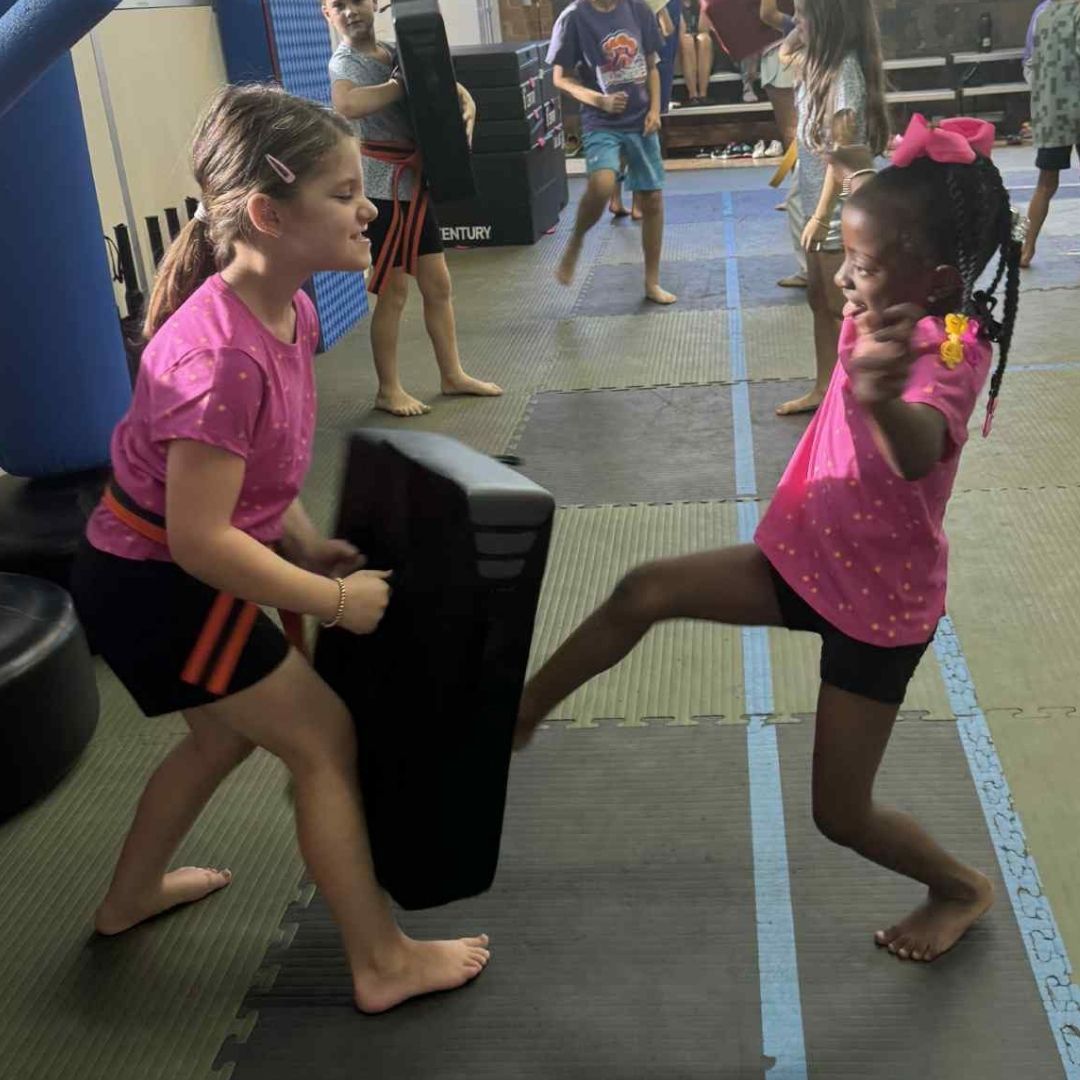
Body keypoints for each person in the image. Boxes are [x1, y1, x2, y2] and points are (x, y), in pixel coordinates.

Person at [515, 114, 1021, 965]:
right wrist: (855, 190)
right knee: (643, 589)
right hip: (804, 559)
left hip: (878, 611)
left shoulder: (955, 350)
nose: (844, 277)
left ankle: (961, 886)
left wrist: (883, 395)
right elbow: (855, 285)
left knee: (840, 815)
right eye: (847, 261)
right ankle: (522, 715)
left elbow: (919, 450)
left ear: (935, 279)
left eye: (862, 266)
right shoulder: (883, 309)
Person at [70, 84, 490, 1013]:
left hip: (160, 572)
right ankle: (380, 962)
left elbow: (258, 477)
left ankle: (128, 897)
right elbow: (199, 540)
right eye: (343, 194)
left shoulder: (290, 313)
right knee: (323, 742)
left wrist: (303, 544)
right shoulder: (216, 359)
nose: (369, 207)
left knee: (220, 740)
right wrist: (327, 602)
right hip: (156, 587)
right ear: (268, 213)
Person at [324, 0, 502, 417]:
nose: (350, 11)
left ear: (374, 5)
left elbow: (445, 88)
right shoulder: (343, 61)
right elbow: (347, 105)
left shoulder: (393, 51)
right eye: (338, 5)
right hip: (382, 190)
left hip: (414, 184)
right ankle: (389, 389)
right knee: (394, 291)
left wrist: (467, 103)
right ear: (326, 15)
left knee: (438, 285)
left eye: (357, 2)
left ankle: (452, 374)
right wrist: (404, 85)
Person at [776, 0, 888, 416]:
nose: (794, 19)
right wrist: (800, 28)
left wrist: (821, 216)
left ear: (826, 21)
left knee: (845, 310)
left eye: (802, 13)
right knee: (818, 300)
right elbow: (785, 52)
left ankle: (857, 397)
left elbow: (839, 154)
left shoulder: (843, 73)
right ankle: (825, 387)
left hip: (841, 211)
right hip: (814, 206)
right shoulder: (815, 64)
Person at [549, 0, 677, 304]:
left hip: (640, 120)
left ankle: (651, 281)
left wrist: (656, 110)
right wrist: (598, 100)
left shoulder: (638, 10)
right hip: (602, 120)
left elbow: (651, 65)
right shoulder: (574, 17)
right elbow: (560, 77)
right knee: (603, 184)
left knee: (653, 199)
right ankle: (577, 240)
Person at [1021, 0, 1080, 268]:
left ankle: (1025, 247)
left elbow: (1030, 63)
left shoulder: (1041, 12)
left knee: (1045, 183)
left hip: (1050, 109)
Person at [760, 0, 805, 287]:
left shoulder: (821, 58)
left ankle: (813, 270)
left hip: (830, 152)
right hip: (841, 157)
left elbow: (768, 15)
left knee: (803, 201)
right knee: (845, 193)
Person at [679, 0, 715, 106]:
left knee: (705, 39)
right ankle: (693, 95)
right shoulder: (673, 3)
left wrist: (704, 6)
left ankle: (703, 94)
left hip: (699, 42)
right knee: (687, 40)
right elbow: (682, 31)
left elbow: (703, 29)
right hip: (681, 44)